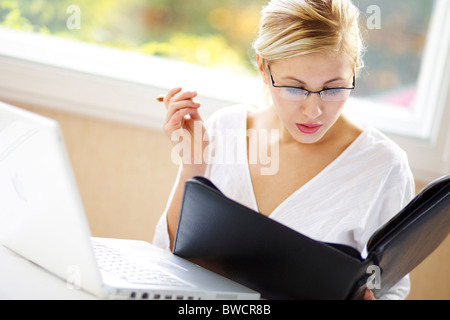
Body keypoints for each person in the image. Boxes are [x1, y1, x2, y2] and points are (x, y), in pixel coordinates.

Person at [153, 0, 415, 300]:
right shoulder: (224, 130)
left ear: (354, 70)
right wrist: (192, 168)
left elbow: (390, 289)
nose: (313, 111)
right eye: (294, 87)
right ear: (263, 67)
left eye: (333, 88)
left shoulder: (382, 167)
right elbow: (164, 259)